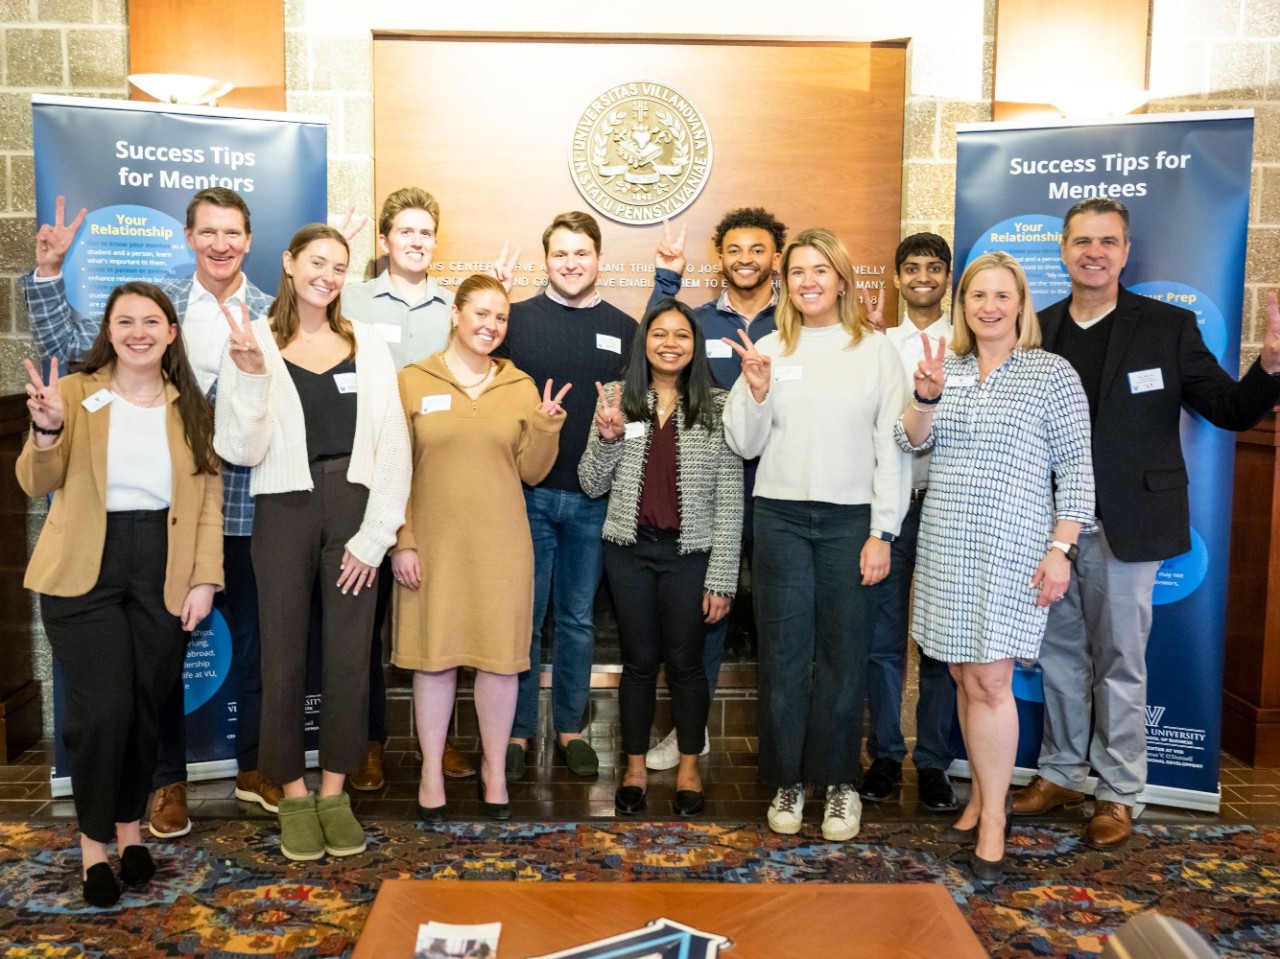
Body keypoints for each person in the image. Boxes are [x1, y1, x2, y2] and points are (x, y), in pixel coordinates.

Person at [1011, 198, 1280, 849]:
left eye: (1108, 241)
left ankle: (1118, 791)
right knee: (1059, 659)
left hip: (1130, 526)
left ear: (1126, 252)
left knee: (1121, 664)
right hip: (1050, 530)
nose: (1094, 252)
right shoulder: (1036, 330)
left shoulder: (1168, 326)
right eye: (1082, 240)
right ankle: (1061, 772)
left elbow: (1229, 409)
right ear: (1063, 250)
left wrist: (1271, 365)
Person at [22, 189, 281, 837]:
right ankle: (165, 783)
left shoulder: (273, 313)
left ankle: (254, 767)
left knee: (254, 649)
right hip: (171, 514)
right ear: (189, 237)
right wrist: (49, 273)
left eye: (232, 232)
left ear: (249, 240)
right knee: (151, 672)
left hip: (252, 506)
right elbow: (71, 345)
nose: (220, 243)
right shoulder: (156, 307)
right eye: (208, 231)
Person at [17, 282, 223, 906]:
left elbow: (207, 501)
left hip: (164, 565)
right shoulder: (75, 394)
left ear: (171, 333)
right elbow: (34, 482)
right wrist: (46, 430)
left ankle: (131, 833)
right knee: (102, 713)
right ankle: (94, 847)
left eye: (151, 321)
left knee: (143, 709)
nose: (138, 332)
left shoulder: (191, 406)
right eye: (125, 321)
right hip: (85, 570)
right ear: (108, 331)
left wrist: (205, 578)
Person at [213, 224, 410, 861]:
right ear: (289, 263)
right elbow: (238, 448)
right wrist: (249, 376)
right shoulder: (253, 340)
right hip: (283, 508)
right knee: (281, 654)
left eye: (339, 266)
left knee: (350, 653)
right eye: (316, 262)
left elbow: (393, 444)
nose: (327, 275)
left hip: (354, 507)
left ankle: (334, 791)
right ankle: (293, 793)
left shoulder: (368, 342)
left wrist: (375, 535)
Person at [899, 250, 1094, 881]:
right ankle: (983, 799)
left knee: (989, 681)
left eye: (1001, 295)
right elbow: (912, 441)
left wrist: (1061, 549)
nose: (989, 307)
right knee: (962, 675)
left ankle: (993, 823)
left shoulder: (1051, 373)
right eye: (977, 295)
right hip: (947, 543)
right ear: (963, 305)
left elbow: (1077, 473)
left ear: (1021, 305)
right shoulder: (946, 368)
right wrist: (925, 397)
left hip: (1014, 550)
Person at [722, 228, 908, 842]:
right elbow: (743, 443)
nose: (808, 281)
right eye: (798, 271)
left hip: (851, 520)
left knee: (843, 654)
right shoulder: (769, 347)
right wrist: (756, 391)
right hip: (779, 517)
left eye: (820, 270)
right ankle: (788, 779)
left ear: (842, 279)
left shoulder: (876, 351)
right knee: (782, 654)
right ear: (786, 282)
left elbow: (892, 448)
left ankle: (839, 783)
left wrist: (883, 531)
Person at [390, 274, 568, 821]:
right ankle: (430, 772)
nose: (491, 326)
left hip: (502, 547)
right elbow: (393, 469)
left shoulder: (520, 386)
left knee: (499, 664)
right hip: (432, 546)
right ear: (455, 314)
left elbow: (532, 472)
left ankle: (495, 772)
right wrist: (402, 541)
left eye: (501, 317)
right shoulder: (411, 381)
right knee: (434, 662)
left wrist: (547, 427)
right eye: (481, 313)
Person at [579, 299, 743, 815]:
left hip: (690, 556)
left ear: (695, 345)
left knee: (687, 665)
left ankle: (689, 768)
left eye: (681, 335)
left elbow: (730, 496)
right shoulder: (614, 397)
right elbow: (590, 483)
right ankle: (633, 768)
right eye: (659, 334)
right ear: (643, 342)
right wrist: (608, 440)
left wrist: (722, 577)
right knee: (638, 664)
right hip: (628, 553)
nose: (670, 343)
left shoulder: (718, 404)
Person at [342, 186, 479, 788]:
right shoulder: (351, 300)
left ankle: (439, 744)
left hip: (437, 479)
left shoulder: (454, 308)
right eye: (406, 232)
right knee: (364, 620)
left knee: (439, 611)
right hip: (367, 475)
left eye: (426, 233)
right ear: (384, 240)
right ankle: (367, 742)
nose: (417, 242)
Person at [641, 208, 785, 771]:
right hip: (707, 499)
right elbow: (652, 347)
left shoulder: (796, 323)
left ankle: (783, 745)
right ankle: (689, 734)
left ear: (776, 258)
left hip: (779, 496)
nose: (745, 260)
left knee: (780, 625)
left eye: (758, 249)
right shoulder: (698, 322)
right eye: (735, 250)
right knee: (704, 622)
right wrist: (667, 281)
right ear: (719, 258)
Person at [496, 211, 635, 782]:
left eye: (581, 253)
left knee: (577, 620)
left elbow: (637, 413)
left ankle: (571, 729)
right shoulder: (516, 320)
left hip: (592, 499)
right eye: (560, 253)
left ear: (599, 258)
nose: (571, 263)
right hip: (525, 495)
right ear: (546, 260)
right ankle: (518, 730)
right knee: (524, 620)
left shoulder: (625, 328)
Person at [860, 233, 960, 813]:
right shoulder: (877, 344)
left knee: (940, 639)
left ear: (948, 277)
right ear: (897, 278)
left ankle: (934, 763)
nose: (923, 276)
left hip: (949, 506)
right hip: (891, 506)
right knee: (882, 637)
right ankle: (885, 755)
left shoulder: (967, 344)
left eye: (935, 267)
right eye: (913, 267)